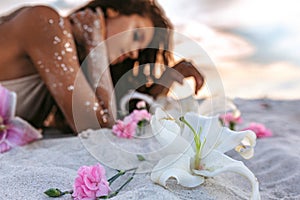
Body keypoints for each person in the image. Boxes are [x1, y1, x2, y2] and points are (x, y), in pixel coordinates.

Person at [0, 0, 204, 133]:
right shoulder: (46, 22)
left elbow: (121, 119)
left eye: (139, 53)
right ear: (113, 10)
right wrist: (96, 46)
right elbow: (98, 129)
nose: (133, 54)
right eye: (137, 34)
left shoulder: (71, 64)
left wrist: (165, 81)